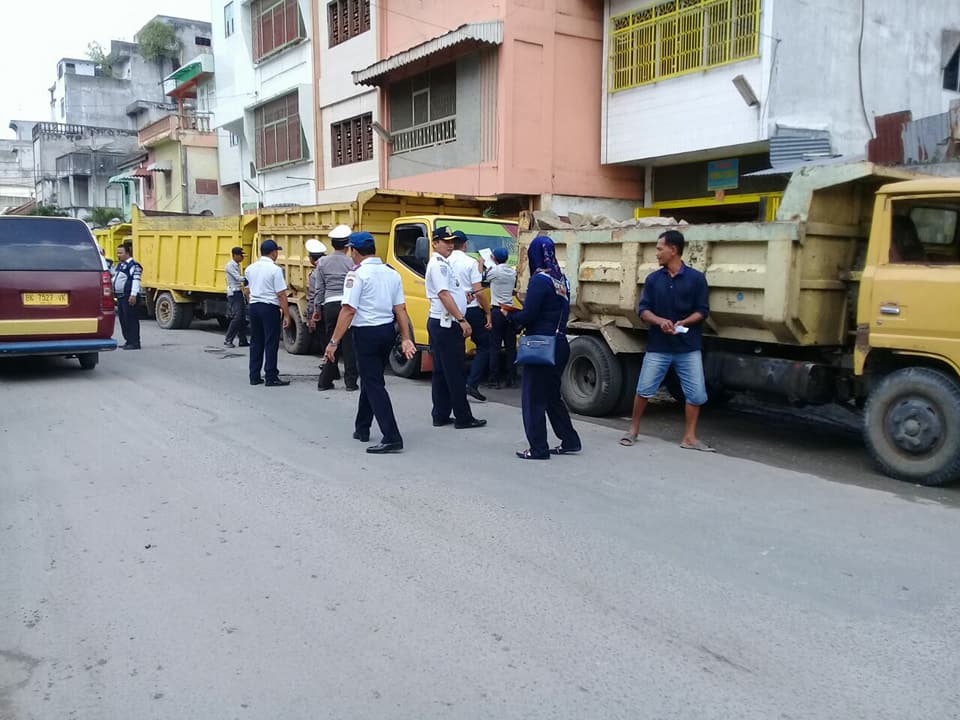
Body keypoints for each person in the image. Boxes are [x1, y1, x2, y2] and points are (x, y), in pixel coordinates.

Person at [620, 229, 714, 451]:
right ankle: (633, 429)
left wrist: (684, 323)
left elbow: (702, 311)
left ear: (673, 250)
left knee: (697, 393)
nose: (656, 253)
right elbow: (643, 311)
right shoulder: (653, 280)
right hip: (658, 346)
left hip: (688, 347)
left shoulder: (696, 279)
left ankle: (690, 437)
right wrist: (661, 321)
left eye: (660, 249)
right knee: (644, 389)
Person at [324, 231, 416, 454]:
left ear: (354, 251)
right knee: (370, 377)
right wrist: (405, 338)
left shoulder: (356, 275)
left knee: (374, 383)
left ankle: (392, 436)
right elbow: (400, 309)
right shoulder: (391, 273)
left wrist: (333, 342)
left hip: (366, 333)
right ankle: (362, 427)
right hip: (386, 331)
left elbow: (348, 310)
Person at [507, 235, 581, 459]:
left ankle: (538, 448)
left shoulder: (539, 280)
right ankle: (570, 440)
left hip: (541, 346)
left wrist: (510, 316)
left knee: (533, 399)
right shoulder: (561, 280)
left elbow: (529, 315)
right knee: (550, 396)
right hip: (559, 344)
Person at [424, 227, 487, 430]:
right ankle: (463, 416)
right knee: (455, 372)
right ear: (434, 243)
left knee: (442, 372)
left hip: (443, 322)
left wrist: (462, 297)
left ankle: (441, 414)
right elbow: (443, 294)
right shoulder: (438, 265)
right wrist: (461, 319)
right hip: (447, 323)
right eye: (445, 241)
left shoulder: (444, 263)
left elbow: (451, 291)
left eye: (452, 241)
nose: (450, 245)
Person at [449, 229, 492, 401]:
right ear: (465, 244)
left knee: (455, 349)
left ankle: (454, 385)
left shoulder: (443, 262)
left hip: (450, 309)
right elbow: (479, 292)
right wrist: (488, 313)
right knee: (485, 345)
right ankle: (471, 384)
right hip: (471, 309)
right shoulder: (470, 262)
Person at [314, 224, 359, 392]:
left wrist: (317, 309)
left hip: (329, 305)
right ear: (348, 246)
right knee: (348, 345)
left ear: (332, 244)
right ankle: (351, 382)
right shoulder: (351, 263)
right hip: (345, 305)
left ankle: (324, 381)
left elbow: (319, 288)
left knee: (331, 343)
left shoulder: (322, 262)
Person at [245, 239, 291, 387]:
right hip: (269, 308)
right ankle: (271, 376)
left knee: (256, 341)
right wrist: (286, 314)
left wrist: (251, 301)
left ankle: (254, 376)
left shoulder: (250, 268)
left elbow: (247, 290)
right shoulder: (275, 270)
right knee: (271, 342)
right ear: (273, 253)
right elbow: (281, 294)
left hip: (254, 306)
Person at [485, 246, 518, 388]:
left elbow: (484, 278)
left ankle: (494, 379)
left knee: (495, 346)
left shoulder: (495, 271)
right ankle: (511, 377)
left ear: (494, 258)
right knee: (511, 347)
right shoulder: (512, 271)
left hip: (497, 311)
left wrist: (482, 263)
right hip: (509, 310)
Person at [113, 242, 142, 350]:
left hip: (129, 296)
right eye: (117, 253)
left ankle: (134, 342)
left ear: (127, 253)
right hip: (121, 297)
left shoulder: (134, 265)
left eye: (120, 253)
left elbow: (136, 280)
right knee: (123, 319)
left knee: (131, 320)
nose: (118, 255)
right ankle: (128, 340)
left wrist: (133, 295)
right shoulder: (121, 265)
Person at [223, 246, 249, 348]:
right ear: (234, 255)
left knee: (242, 318)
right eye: (240, 255)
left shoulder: (237, 265)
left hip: (239, 292)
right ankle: (228, 340)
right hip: (234, 294)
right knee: (237, 317)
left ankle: (242, 340)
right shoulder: (230, 266)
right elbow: (238, 278)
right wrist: (248, 278)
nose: (242, 257)